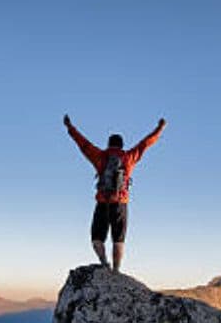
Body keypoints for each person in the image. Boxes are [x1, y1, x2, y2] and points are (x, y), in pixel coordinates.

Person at [64, 114, 166, 272]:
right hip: (120, 202)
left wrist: (70, 127)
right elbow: (145, 144)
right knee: (118, 239)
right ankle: (116, 270)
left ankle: (104, 263)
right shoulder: (128, 157)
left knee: (97, 238)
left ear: (108, 144)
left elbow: (83, 143)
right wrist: (160, 128)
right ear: (122, 145)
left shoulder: (100, 156)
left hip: (102, 201)